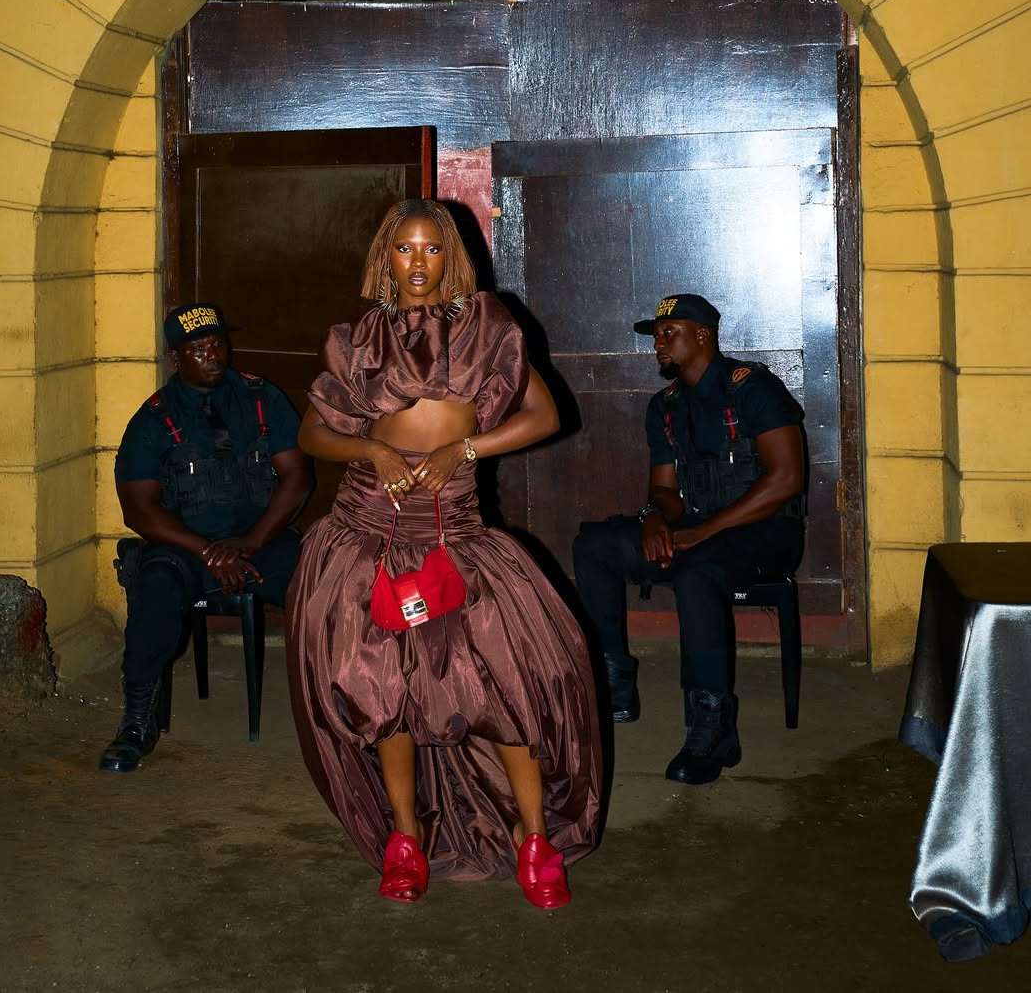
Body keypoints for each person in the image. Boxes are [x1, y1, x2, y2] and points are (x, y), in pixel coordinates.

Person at [287, 200, 601, 907]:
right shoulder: (358, 338)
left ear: (451, 258)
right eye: (405, 251)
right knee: (384, 697)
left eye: (432, 251)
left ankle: (534, 840)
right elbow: (312, 434)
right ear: (385, 258)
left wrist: (466, 446)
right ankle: (406, 839)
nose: (419, 264)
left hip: (457, 534)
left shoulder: (491, 328)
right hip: (367, 536)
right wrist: (370, 445)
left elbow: (546, 415)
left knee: (510, 690)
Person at [572, 293, 805, 786]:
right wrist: (655, 517)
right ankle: (614, 686)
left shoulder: (753, 389)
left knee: (699, 571)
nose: (657, 344)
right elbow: (664, 489)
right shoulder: (666, 406)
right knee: (596, 544)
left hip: (766, 533)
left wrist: (701, 532)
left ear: (702, 336)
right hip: (698, 528)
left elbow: (786, 480)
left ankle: (713, 729)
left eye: (667, 333)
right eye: (655, 335)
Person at [100, 302, 313, 773]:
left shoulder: (262, 398)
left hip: (260, 543)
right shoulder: (154, 419)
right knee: (154, 589)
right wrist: (207, 553)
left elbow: (297, 478)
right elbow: (138, 510)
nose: (213, 355)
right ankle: (136, 722)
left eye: (218, 343)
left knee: (325, 578)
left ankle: (341, 712)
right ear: (176, 356)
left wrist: (252, 542)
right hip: (187, 550)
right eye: (198, 349)